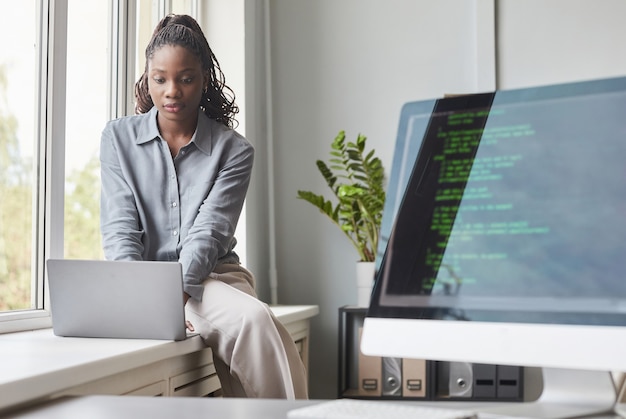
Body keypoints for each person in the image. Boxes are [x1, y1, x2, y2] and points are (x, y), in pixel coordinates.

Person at [99, 14, 307, 399]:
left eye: (186, 78)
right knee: (260, 329)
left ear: (204, 79)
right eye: (160, 79)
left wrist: (168, 303)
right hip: (147, 284)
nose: (172, 91)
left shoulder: (235, 150)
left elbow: (209, 234)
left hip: (216, 276)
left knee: (255, 321)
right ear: (147, 79)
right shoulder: (118, 138)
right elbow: (120, 229)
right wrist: (137, 302)